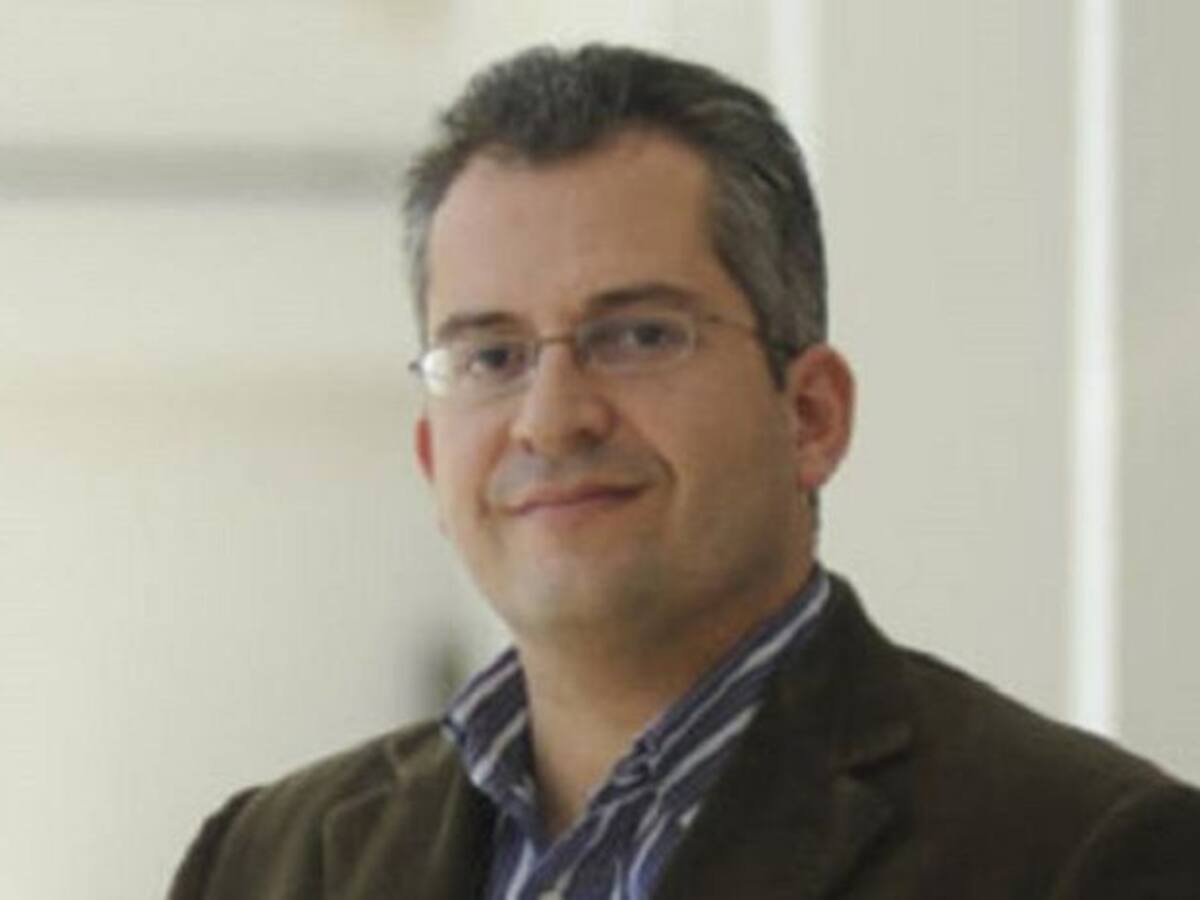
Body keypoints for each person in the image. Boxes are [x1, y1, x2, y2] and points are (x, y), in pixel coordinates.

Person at [170, 44, 1200, 899]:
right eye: (491, 356)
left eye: (638, 335)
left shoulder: (1086, 856)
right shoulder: (266, 863)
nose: (552, 418)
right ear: (434, 455)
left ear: (811, 415)